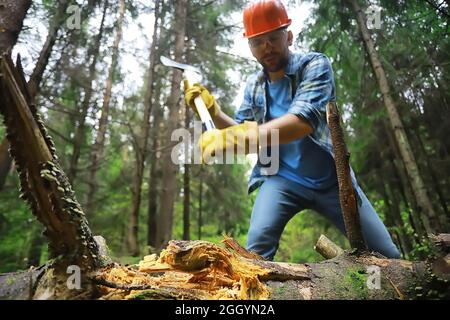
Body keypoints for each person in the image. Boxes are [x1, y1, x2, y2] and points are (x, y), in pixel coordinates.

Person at [185, 0, 400, 260]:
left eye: (273, 37)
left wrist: (237, 136)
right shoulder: (253, 86)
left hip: (332, 181)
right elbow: (241, 131)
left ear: (288, 36)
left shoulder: (315, 65)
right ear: (250, 47)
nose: (266, 47)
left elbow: (301, 122)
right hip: (280, 178)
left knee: (387, 256)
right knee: (255, 256)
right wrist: (214, 112)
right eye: (257, 41)